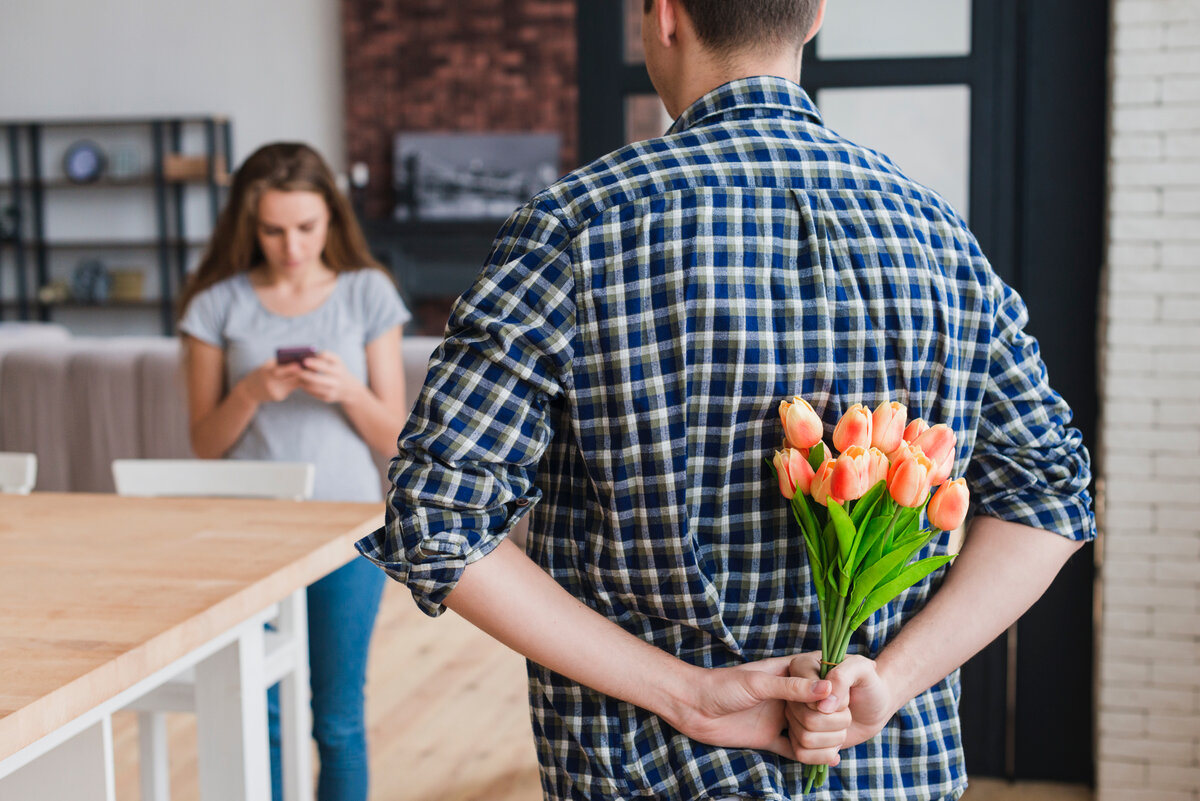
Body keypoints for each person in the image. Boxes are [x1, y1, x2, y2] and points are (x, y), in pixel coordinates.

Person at [357, 0, 1096, 798]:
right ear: (813, 17)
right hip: (885, 775)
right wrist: (891, 678)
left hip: (643, 768)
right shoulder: (939, 233)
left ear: (665, 16)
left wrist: (693, 695)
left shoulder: (577, 225)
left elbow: (435, 519)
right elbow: (1048, 496)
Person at [177, 142, 410, 801]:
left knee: (336, 719)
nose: (293, 246)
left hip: (347, 532)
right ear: (248, 226)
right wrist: (249, 391)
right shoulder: (214, 305)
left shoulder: (368, 293)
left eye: (307, 227)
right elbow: (202, 444)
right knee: (266, 714)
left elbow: (397, 437)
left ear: (331, 218)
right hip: (247, 535)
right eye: (273, 230)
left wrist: (348, 391)